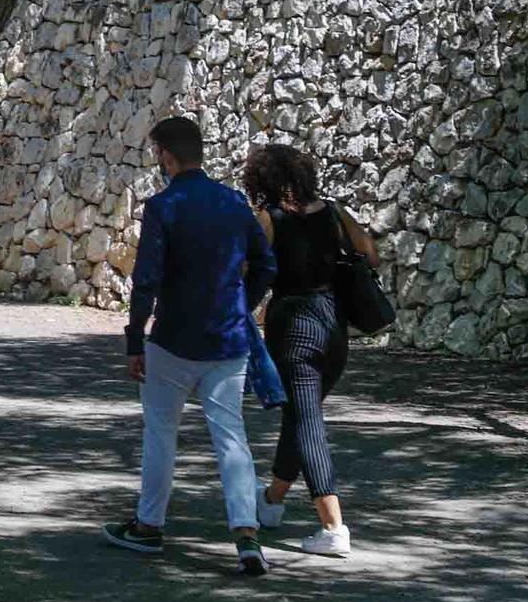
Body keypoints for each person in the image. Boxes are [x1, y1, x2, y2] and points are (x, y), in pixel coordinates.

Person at [103, 116, 277, 576]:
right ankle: (246, 534)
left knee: (161, 432)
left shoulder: (163, 207)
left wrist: (134, 338)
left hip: (174, 339)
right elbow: (266, 264)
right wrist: (243, 303)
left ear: (165, 154)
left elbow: (146, 280)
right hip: (228, 339)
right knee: (231, 435)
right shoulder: (233, 203)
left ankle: (149, 524)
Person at [242, 143, 378, 558]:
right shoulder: (335, 213)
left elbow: (251, 272)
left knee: (307, 423)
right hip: (334, 327)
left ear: (263, 180)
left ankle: (333, 526)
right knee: (300, 417)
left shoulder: (269, 218)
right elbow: (371, 254)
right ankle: (272, 502)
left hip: (293, 327)